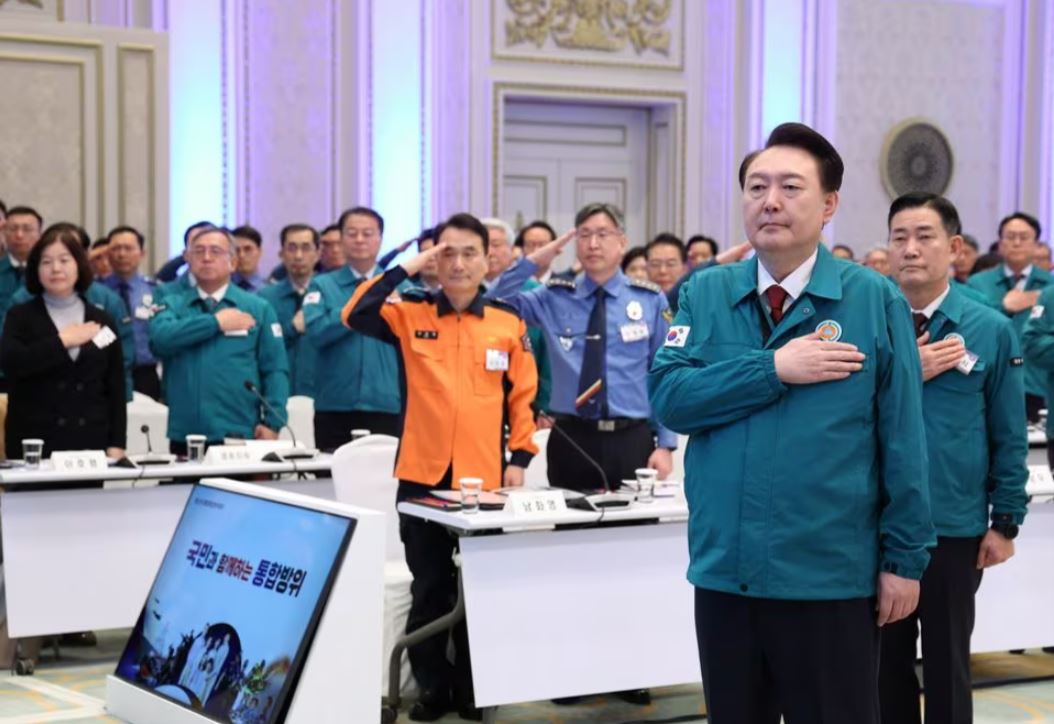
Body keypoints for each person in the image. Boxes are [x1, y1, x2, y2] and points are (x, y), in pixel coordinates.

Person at [648, 122, 934, 723]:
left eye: (790, 187)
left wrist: (904, 561)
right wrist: (773, 368)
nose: (770, 201)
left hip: (829, 577)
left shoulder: (872, 299)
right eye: (757, 187)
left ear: (829, 205)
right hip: (727, 574)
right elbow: (671, 399)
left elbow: (904, 439)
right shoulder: (705, 293)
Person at [342, 212, 538, 721]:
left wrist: (520, 458)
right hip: (421, 475)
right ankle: (433, 687)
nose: (458, 264)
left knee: (480, 586)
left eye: (470, 253)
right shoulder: (410, 312)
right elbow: (354, 313)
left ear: (488, 260)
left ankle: (475, 689)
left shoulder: (507, 321)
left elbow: (523, 396)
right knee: (429, 585)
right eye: (447, 253)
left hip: (483, 478)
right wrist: (408, 267)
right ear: (433, 258)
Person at [881, 192, 1027, 724]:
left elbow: (1008, 434)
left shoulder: (988, 328)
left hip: (952, 526)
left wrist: (1005, 521)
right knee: (882, 668)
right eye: (899, 238)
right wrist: (905, 371)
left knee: (948, 665)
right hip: (874, 524)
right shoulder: (870, 324)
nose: (910, 249)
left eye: (925, 237)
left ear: (955, 247)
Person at [490, 203, 675, 489]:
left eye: (602, 234)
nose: (593, 244)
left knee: (633, 519)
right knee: (570, 517)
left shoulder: (649, 300)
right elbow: (493, 301)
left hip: (631, 439)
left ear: (622, 242)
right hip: (571, 438)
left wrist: (665, 444)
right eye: (584, 235)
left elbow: (666, 372)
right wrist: (532, 262)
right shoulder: (554, 296)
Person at [149, 226, 289, 454]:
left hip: (240, 430)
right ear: (188, 259)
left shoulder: (257, 308)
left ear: (232, 262)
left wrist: (273, 422)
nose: (206, 257)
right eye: (199, 251)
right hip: (186, 432)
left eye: (215, 251)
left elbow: (275, 369)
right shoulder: (172, 303)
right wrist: (215, 323)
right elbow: (160, 340)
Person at [0, 223, 126, 458]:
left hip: (90, 440)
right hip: (34, 441)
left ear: (79, 265)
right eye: (46, 262)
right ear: (36, 269)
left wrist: (117, 442)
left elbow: (115, 384)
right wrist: (62, 341)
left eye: (64, 260)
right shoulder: (20, 316)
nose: (56, 268)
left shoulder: (101, 320)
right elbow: (12, 364)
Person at [303, 206, 401, 449]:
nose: (359, 240)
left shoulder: (401, 287)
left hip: (388, 404)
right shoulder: (322, 286)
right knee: (331, 470)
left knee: (387, 472)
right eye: (352, 233)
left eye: (367, 233)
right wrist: (361, 305)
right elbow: (316, 332)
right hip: (335, 406)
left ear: (380, 239)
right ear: (341, 239)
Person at [967, 211, 1050, 422]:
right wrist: (1004, 306)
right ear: (1000, 243)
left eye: (1024, 237)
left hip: (1038, 383)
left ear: (1036, 244)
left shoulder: (1049, 286)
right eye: (1010, 237)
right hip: (990, 380)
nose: (1017, 243)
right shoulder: (978, 282)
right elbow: (971, 328)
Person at [257, 224, 320, 397]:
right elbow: (261, 346)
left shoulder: (329, 293)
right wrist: (290, 329)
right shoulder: (265, 298)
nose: (298, 256)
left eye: (306, 248)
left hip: (322, 392)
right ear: (281, 254)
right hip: (279, 391)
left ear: (317, 254)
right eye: (291, 248)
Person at [101, 225, 161, 399]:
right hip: (105, 370)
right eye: (116, 249)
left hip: (146, 372)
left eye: (128, 248)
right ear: (107, 254)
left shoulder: (155, 290)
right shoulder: (97, 292)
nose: (121, 254)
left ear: (142, 253)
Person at [480, 218, 516, 289]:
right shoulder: (461, 288)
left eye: (496, 245)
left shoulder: (530, 288)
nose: (489, 252)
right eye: (483, 245)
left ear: (511, 250)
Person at [232, 225, 266, 291]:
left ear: (260, 252)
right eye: (236, 250)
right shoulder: (221, 288)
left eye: (248, 249)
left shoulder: (270, 291)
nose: (241, 255)